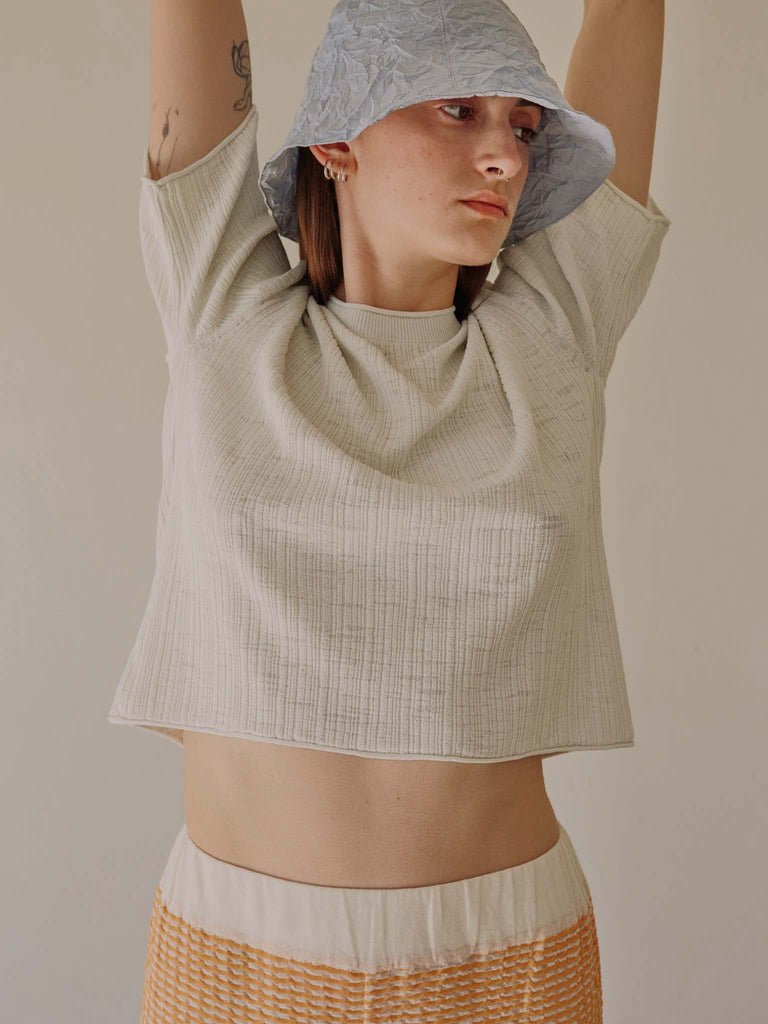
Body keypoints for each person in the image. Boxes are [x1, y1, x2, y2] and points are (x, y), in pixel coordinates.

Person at [110, 1, 672, 1020]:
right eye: (458, 109)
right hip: (238, 963)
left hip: (509, 964)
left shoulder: (551, 339)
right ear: (336, 139)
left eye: (525, 127)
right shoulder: (225, 314)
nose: (505, 153)